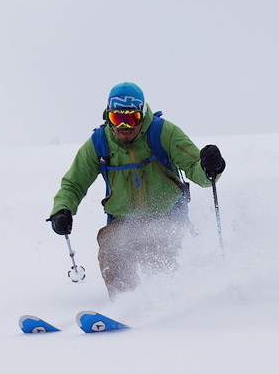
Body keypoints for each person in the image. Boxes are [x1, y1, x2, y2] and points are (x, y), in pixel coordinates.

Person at [47, 82, 226, 299]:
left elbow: (196, 170)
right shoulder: (99, 143)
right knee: (111, 247)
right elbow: (74, 182)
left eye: (130, 118)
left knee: (157, 242)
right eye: (116, 118)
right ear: (108, 116)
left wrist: (210, 167)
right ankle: (124, 305)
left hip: (167, 214)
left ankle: (170, 300)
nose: (124, 125)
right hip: (123, 220)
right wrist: (62, 209)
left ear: (141, 115)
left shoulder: (163, 133)